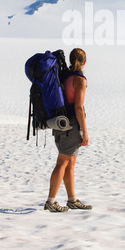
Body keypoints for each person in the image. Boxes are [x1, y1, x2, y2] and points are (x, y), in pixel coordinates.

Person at [44, 48, 92, 212]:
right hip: (71, 124)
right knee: (63, 163)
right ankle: (51, 202)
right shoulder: (79, 80)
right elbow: (78, 107)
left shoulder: (63, 76)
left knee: (69, 162)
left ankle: (72, 199)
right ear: (84, 62)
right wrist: (85, 132)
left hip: (60, 122)